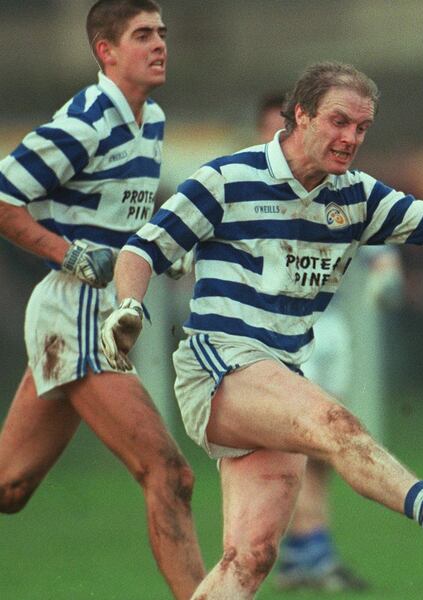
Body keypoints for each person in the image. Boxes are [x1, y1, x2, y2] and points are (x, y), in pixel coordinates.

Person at [100, 61, 423, 598]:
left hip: (278, 373)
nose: (350, 137)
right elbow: (141, 249)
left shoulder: (356, 197)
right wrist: (129, 307)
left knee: (251, 558)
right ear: (301, 115)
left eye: (361, 128)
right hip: (220, 365)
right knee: (335, 422)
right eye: (338, 121)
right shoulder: (226, 180)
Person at [0, 2, 205, 598]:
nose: (160, 44)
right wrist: (66, 252)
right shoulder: (87, 120)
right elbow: (4, 198)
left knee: (10, 489)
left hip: (99, 317)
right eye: (143, 35)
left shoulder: (154, 120)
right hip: (73, 313)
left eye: (162, 33)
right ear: (105, 51)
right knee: (170, 474)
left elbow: (125, 228)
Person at [257, 93, 402, 592]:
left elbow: (374, 230)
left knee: (321, 447)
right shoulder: (245, 187)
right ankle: (310, 547)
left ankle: (303, 550)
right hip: (275, 337)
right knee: (310, 440)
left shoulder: (336, 188)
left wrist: (384, 271)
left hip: (330, 328)